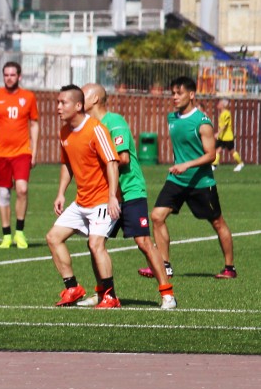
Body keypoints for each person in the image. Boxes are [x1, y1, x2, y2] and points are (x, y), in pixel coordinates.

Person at [79, 83, 176, 310]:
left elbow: (122, 159)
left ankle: (167, 294)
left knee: (143, 242)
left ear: (94, 99)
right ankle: (102, 292)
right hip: (105, 195)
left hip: (130, 192)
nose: (78, 97)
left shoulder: (114, 122)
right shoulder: (89, 126)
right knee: (95, 243)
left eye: (82, 94)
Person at [150, 76, 237, 280]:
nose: (174, 97)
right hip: (177, 180)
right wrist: (180, 166)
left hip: (201, 182)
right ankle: (165, 266)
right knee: (157, 216)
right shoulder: (171, 118)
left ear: (191, 95)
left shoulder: (202, 122)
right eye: (172, 93)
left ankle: (229, 268)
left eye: (179, 93)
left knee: (217, 223)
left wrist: (186, 164)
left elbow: (211, 155)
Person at [45, 85, 121, 308]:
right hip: (81, 200)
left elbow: (112, 162)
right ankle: (72, 288)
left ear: (78, 106)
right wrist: (61, 193)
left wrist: (112, 197)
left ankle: (109, 296)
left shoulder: (95, 129)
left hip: (101, 200)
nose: (58, 107)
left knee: (95, 244)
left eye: (63, 103)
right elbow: (67, 164)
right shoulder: (64, 132)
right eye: (57, 102)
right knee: (53, 237)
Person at [0, 61, 40, 249]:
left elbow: (35, 124)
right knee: (4, 193)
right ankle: (6, 234)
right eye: (6, 75)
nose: (9, 78)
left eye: (12, 75)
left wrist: (35, 151)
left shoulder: (28, 97)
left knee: (22, 189)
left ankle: (20, 233)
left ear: (19, 76)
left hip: (22, 152)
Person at [213, 98, 244, 172]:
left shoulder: (227, 113)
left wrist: (218, 133)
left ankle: (240, 163)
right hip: (222, 137)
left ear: (223, 105)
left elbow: (225, 125)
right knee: (217, 150)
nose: (217, 105)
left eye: (219, 103)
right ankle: (214, 165)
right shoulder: (222, 113)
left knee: (231, 151)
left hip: (227, 137)